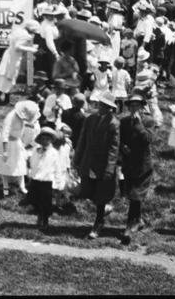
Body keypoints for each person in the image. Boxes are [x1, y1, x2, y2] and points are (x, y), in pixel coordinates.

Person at [73, 91, 120, 240]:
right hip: (88, 161)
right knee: (87, 191)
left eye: (106, 106)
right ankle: (105, 208)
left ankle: (98, 223)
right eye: (101, 104)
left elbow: (114, 148)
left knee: (101, 194)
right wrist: (77, 160)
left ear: (110, 108)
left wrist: (109, 168)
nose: (102, 107)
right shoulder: (90, 119)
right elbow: (82, 140)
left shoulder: (114, 123)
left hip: (103, 164)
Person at [119, 91, 156, 244]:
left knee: (135, 195)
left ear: (142, 107)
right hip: (129, 164)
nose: (135, 108)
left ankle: (128, 228)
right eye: (132, 106)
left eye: (137, 106)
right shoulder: (124, 121)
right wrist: (123, 148)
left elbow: (148, 139)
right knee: (132, 194)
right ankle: (139, 220)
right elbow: (120, 139)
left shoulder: (148, 121)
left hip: (143, 165)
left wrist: (138, 124)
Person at [0, 100, 41, 196]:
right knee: (4, 164)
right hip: (6, 143)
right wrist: (5, 151)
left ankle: (22, 186)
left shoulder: (22, 118)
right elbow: (5, 134)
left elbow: (24, 128)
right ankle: (5, 186)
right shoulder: (11, 117)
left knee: (21, 163)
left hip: (16, 141)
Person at [0, 21, 39, 105]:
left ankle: (1, 96)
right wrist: (31, 49)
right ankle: (3, 97)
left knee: (6, 75)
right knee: (10, 76)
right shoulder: (26, 35)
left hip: (9, 53)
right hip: (14, 56)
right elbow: (17, 47)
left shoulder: (18, 30)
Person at [26, 127, 62, 230]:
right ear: (40, 140)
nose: (45, 141)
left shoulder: (54, 152)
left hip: (47, 181)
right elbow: (33, 164)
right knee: (33, 199)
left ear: (51, 140)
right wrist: (30, 172)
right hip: (36, 179)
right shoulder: (36, 150)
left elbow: (57, 168)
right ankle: (39, 215)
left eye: (47, 139)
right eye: (43, 139)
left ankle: (45, 221)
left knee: (45, 203)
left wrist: (58, 182)